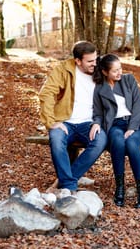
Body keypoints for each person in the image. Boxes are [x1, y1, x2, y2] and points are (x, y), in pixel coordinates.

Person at [38, 41, 108, 193]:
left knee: (100, 140)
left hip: (88, 124)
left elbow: (120, 85)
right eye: (89, 61)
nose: (94, 64)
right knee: (56, 138)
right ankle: (69, 184)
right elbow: (47, 93)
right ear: (77, 61)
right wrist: (51, 122)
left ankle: (66, 181)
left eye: (95, 59)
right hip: (65, 122)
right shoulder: (64, 70)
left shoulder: (100, 70)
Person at [92, 54, 140, 208]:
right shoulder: (100, 88)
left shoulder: (129, 79)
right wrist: (97, 123)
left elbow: (138, 105)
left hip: (137, 125)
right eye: (115, 71)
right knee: (118, 141)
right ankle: (120, 187)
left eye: (120, 69)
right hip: (115, 126)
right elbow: (98, 112)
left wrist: (132, 128)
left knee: (132, 143)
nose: (119, 73)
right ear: (105, 72)